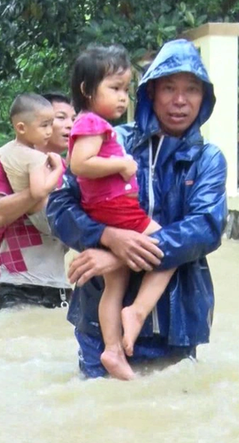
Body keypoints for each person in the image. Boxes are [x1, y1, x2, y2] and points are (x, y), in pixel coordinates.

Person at [47, 39, 228, 378]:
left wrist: (119, 255)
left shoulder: (208, 160)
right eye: (169, 88)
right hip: (99, 319)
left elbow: (205, 228)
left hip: (176, 323)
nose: (179, 100)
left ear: (204, 98)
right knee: (99, 416)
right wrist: (105, 235)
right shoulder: (112, 140)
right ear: (150, 93)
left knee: (169, 419)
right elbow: (59, 205)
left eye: (191, 90)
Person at [66, 44, 177, 380]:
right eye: (114, 89)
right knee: (166, 246)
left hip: (105, 212)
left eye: (126, 90)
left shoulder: (95, 124)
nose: (122, 98)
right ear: (87, 90)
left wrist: (114, 253)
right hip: (117, 210)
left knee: (115, 285)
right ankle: (137, 313)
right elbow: (78, 164)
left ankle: (113, 349)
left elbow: (206, 226)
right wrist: (123, 163)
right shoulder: (92, 124)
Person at [0, 93, 76, 312]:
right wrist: (36, 192)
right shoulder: (7, 164)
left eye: (74, 118)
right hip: (13, 286)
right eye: (59, 118)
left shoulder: (70, 172)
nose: (69, 125)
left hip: (58, 286)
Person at [0, 94, 65, 234]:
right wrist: (57, 170)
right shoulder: (36, 158)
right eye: (44, 125)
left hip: (38, 220)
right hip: (46, 216)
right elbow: (38, 192)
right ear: (21, 128)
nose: (49, 131)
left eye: (51, 124)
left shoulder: (6, 151)